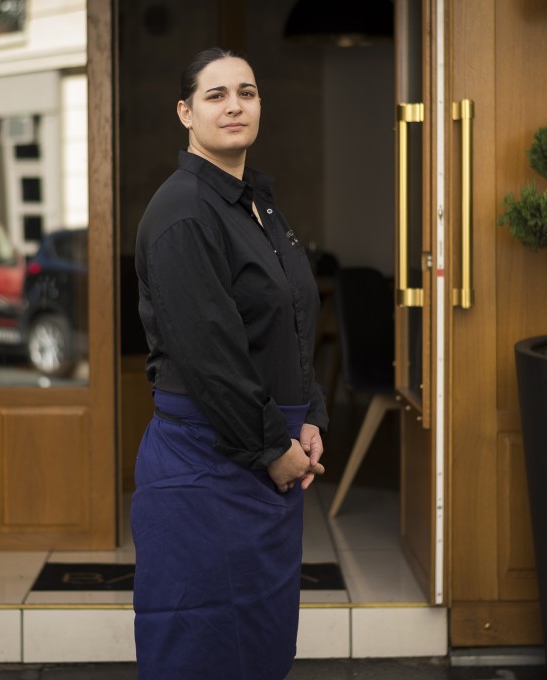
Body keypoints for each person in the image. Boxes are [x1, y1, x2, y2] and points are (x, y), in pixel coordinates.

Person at [130, 46, 329, 680]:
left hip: (265, 449)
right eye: (216, 95)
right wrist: (275, 448)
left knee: (261, 650)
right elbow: (211, 356)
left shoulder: (257, 203)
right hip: (206, 465)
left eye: (246, 91)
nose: (235, 105)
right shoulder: (182, 210)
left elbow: (293, 316)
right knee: (201, 653)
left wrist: (312, 415)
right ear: (185, 112)